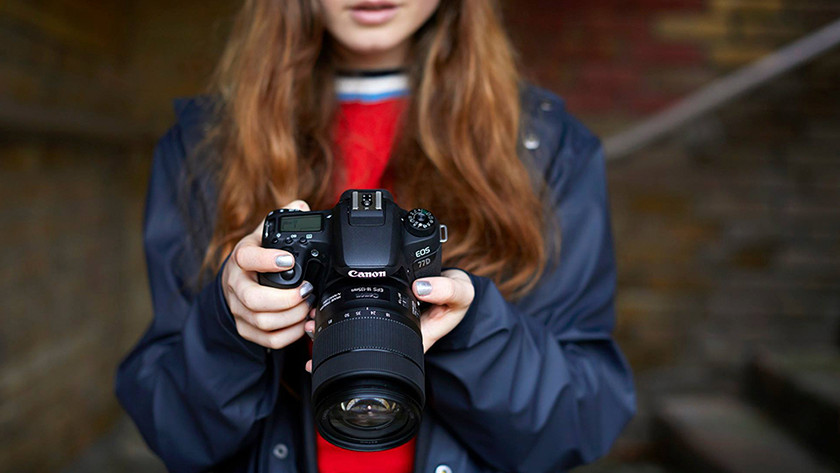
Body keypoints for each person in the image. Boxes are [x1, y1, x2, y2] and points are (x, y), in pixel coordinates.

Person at [115, 1, 636, 472]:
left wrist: (470, 329)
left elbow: (581, 423)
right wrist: (230, 328)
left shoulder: (549, 149)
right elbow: (171, 433)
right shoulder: (205, 147)